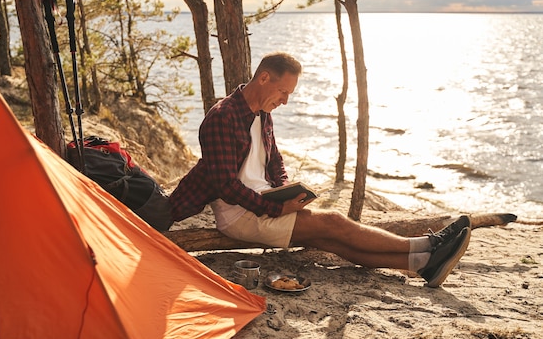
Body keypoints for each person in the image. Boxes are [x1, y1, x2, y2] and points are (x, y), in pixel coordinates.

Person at [169, 52, 471, 287]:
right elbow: (225, 186)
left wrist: (286, 189)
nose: (286, 101)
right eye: (283, 92)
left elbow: (274, 159)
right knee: (334, 222)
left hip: (264, 202)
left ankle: (422, 263)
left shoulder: (263, 111)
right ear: (263, 78)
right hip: (240, 215)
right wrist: (274, 208)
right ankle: (430, 244)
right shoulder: (222, 117)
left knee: (329, 240)